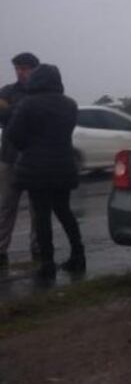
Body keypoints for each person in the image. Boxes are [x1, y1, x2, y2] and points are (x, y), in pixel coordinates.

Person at [4, 64, 85, 275]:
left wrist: (28, 147)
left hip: (36, 168)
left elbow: (13, 135)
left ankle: (47, 263)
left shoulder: (28, 104)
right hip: (64, 165)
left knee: (42, 216)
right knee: (64, 211)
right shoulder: (70, 104)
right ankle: (78, 255)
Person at [0, 52, 40, 269]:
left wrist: (12, 110)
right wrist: (24, 109)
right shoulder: (7, 90)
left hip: (34, 159)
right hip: (9, 158)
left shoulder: (42, 92)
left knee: (37, 208)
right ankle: (1, 248)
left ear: (35, 69)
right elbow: (1, 115)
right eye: (17, 68)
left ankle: (38, 247)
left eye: (25, 68)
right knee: (7, 207)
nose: (20, 72)